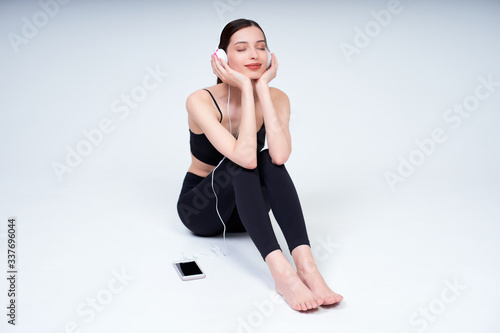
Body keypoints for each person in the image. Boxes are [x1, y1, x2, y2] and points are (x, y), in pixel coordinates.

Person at [177, 18, 343, 311]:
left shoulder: (277, 98)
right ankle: (282, 273)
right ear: (222, 57)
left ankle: (306, 265)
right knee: (243, 162)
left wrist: (262, 89)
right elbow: (244, 158)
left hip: (247, 213)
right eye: (242, 49)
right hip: (201, 209)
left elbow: (279, 156)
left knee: (267, 158)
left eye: (261, 48)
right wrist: (241, 84)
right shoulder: (200, 100)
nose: (254, 55)